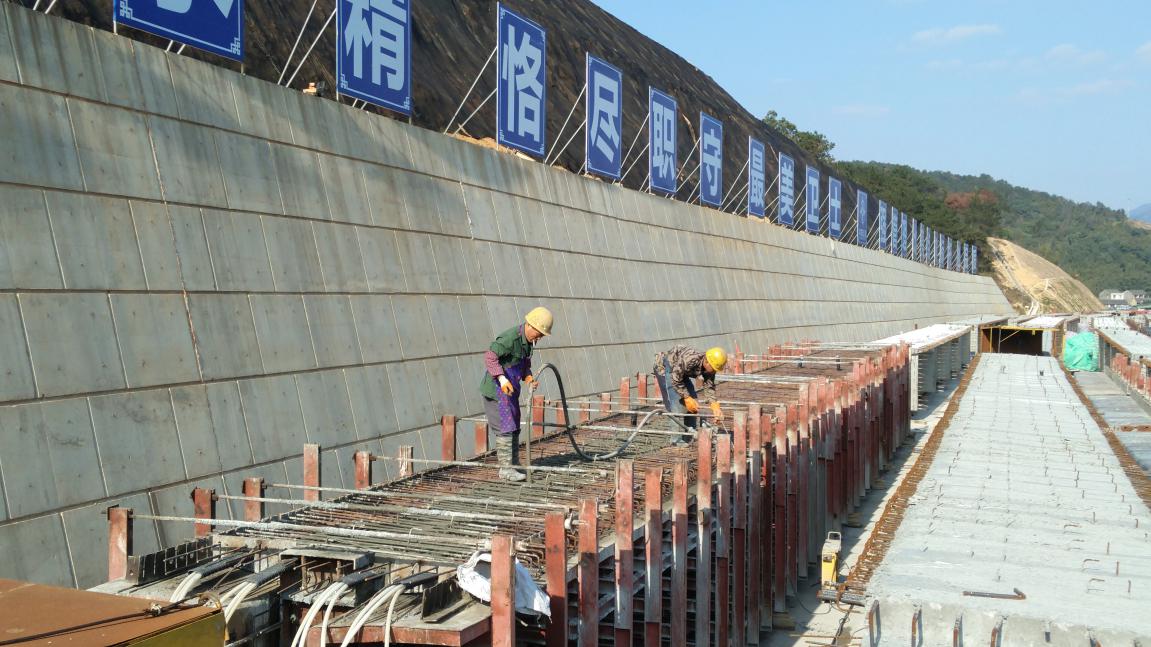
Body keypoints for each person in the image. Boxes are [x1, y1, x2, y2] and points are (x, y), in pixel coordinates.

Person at [480, 307, 554, 481]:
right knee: (505, 428)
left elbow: (524, 365)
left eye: (542, 335)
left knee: (514, 427)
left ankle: (513, 464)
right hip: (497, 391)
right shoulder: (510, 338)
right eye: (539, 333)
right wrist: (502, 379)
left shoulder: (528, 343)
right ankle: (505, 470)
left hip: (510, 392)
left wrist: (528, 378)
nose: (539, 338)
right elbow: (490, 357)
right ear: (530, 325)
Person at [652, 345, 727, 444]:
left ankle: (690, 436)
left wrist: (715, 406)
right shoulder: (691, 360)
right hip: (666, 367)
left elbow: (709, 386)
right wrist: (686, 398)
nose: (714, 371)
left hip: (680, 372)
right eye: (713, 368)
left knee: (693, 403)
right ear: (707, 362)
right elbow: (675, 380)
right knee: (676, 405)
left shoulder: (709, 368)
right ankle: (675, 440)